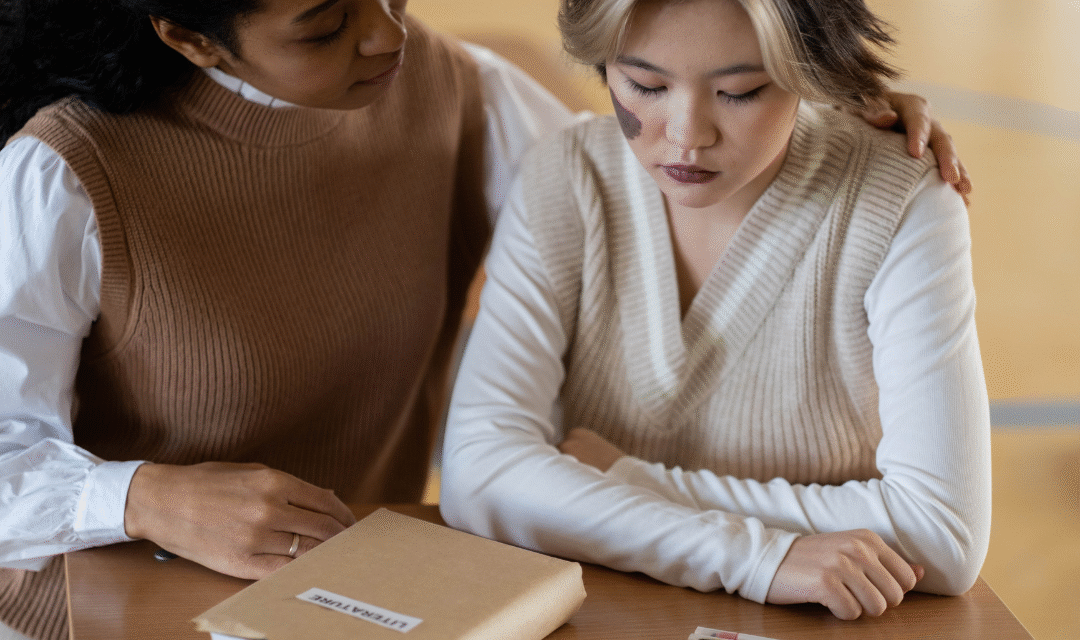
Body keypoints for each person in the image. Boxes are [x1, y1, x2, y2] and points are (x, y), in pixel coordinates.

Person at [0, 0, 967, 638]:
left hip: (373, 599)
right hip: (111, 606)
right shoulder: (63, 173)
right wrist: (137, 497)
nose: (386, 36)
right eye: (327, 23)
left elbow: (652, 170)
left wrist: (821, 107)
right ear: (193, 37)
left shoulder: (448, 89)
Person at [439, 0, 991, 622]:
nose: (685, 135)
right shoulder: (565, 175)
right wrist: (756, 556)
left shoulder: (902, 199)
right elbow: (479, 473)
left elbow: (942, 533)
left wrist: (624, 478)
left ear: (813, 75)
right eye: (644, 84)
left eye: (740, 92)